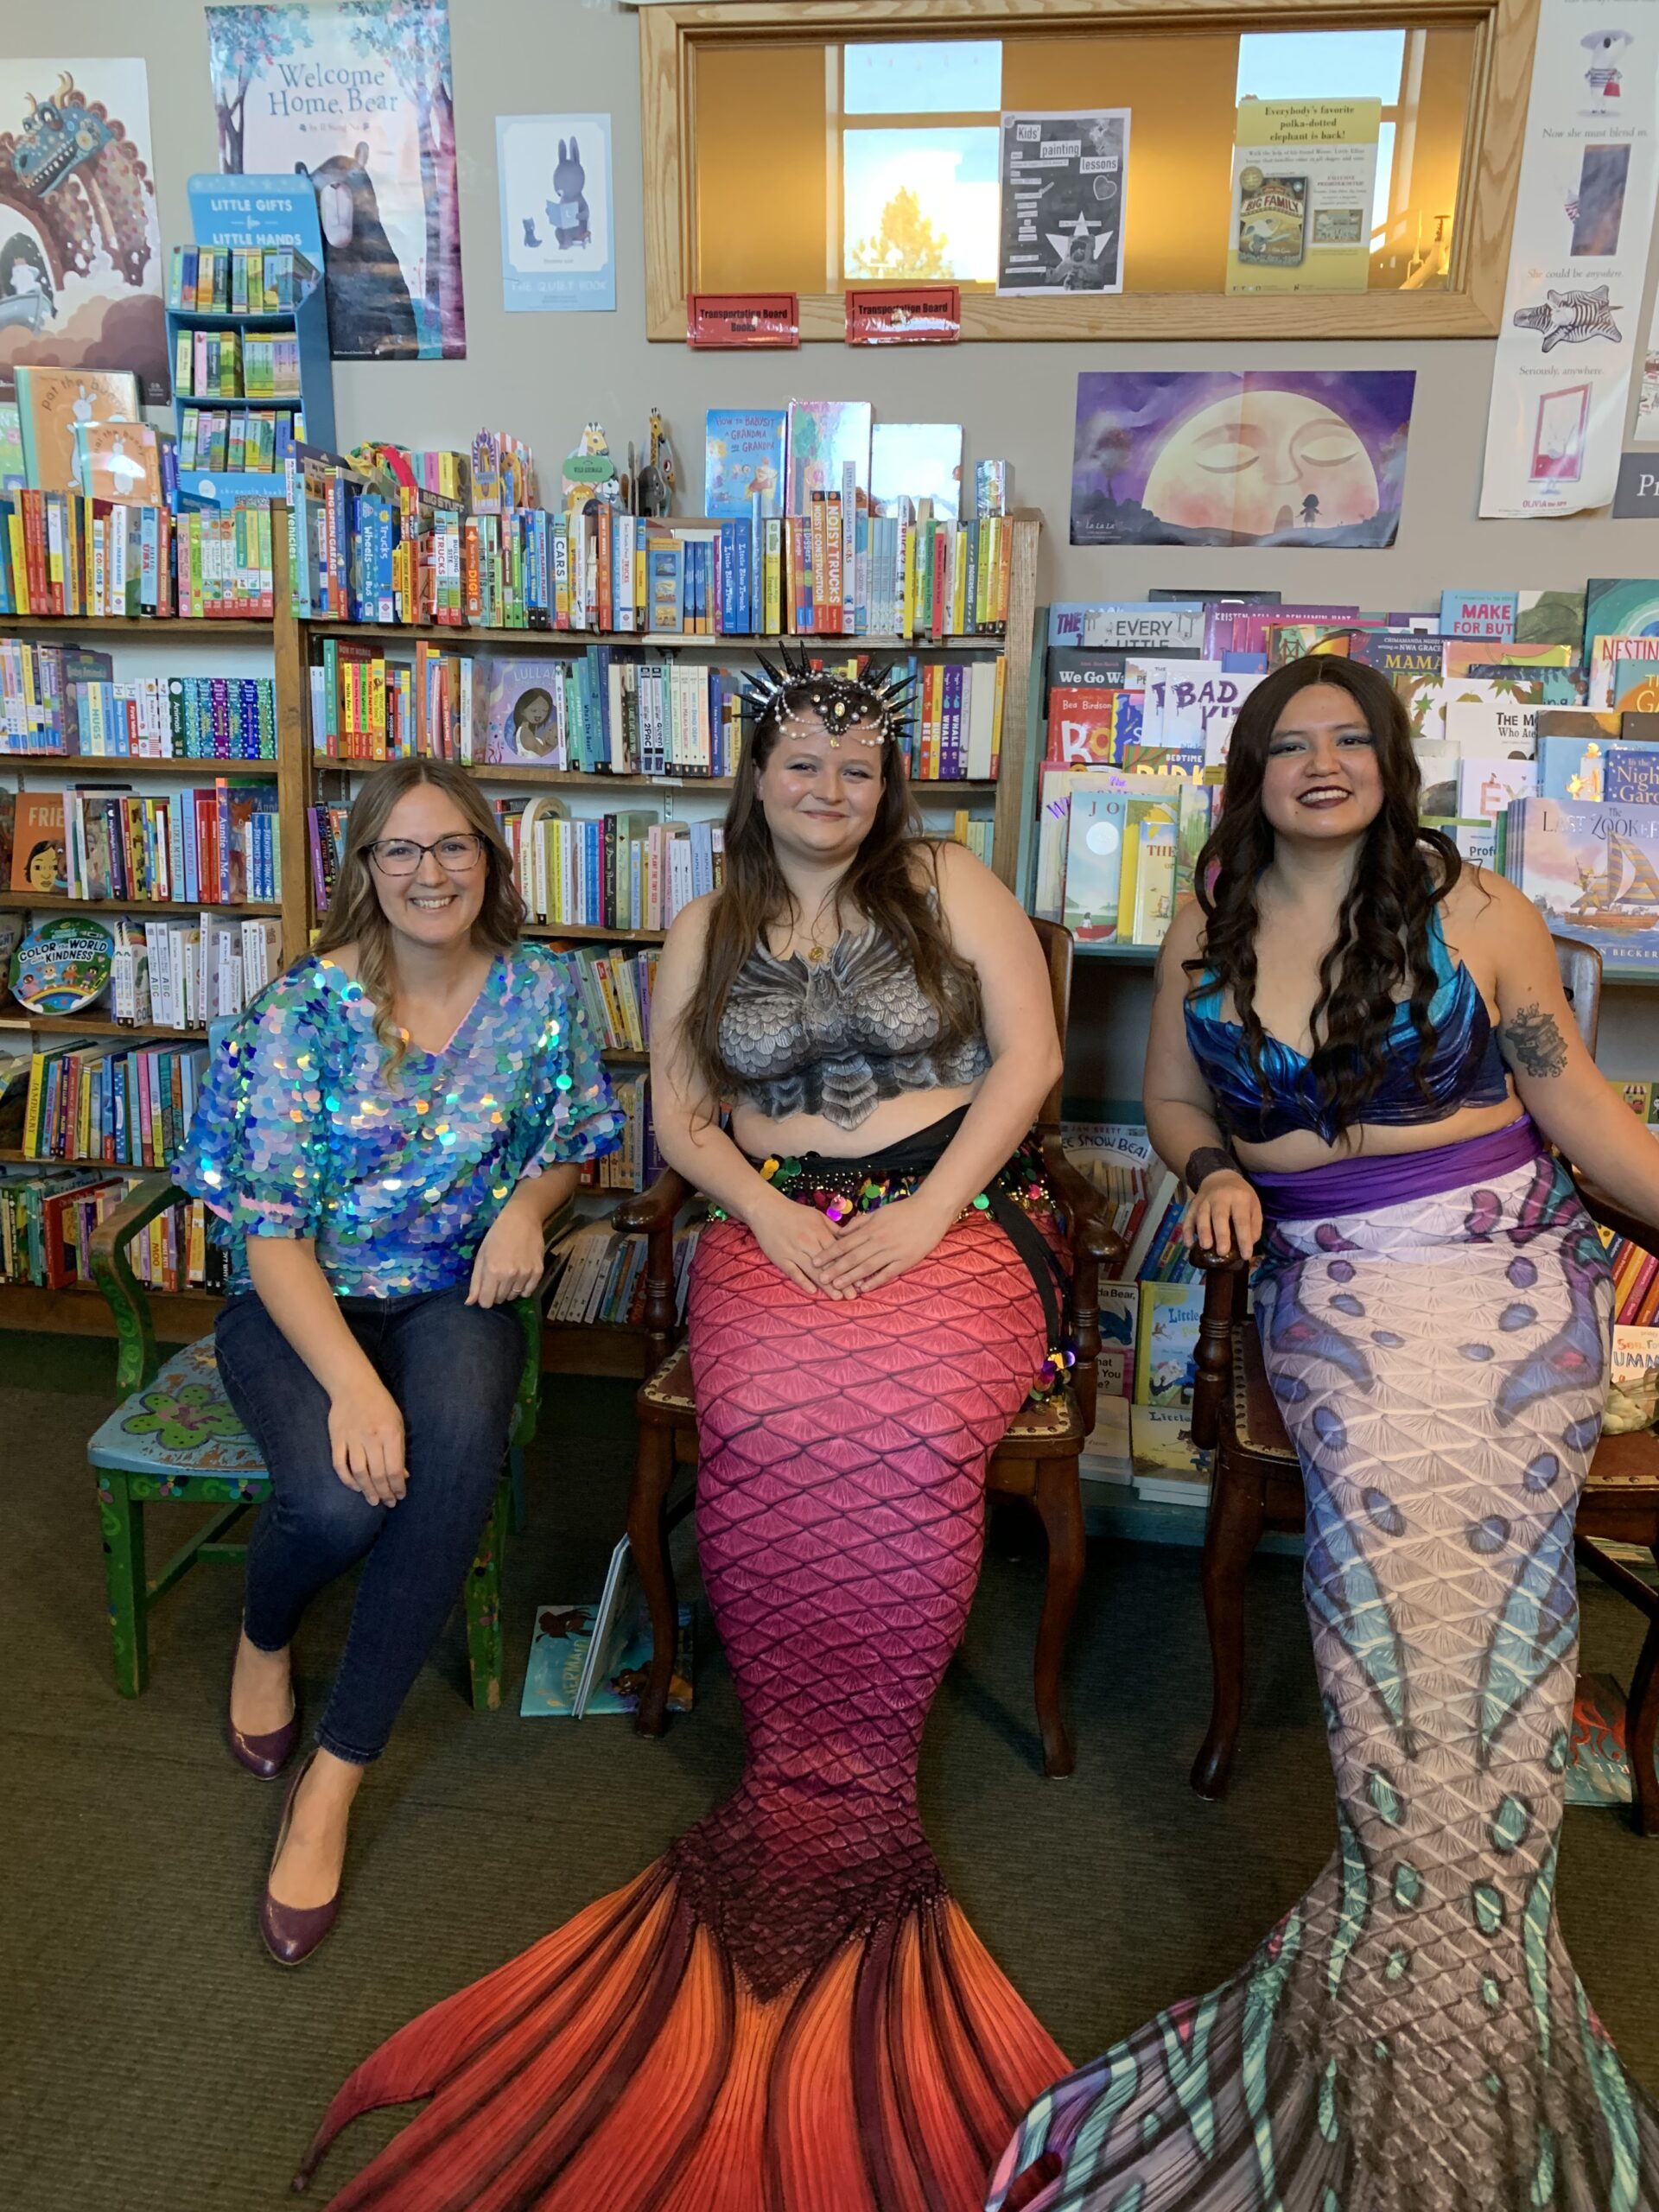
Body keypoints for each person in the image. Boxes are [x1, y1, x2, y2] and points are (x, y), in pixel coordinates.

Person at [293, 654, 1075, 2209]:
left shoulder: (952, 878)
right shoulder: (706, 920)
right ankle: (793, 1776)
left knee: (910, 1430)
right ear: (757, 773)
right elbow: (679, 1113)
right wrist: (768, 1219)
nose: (829, 790)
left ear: (888, 780)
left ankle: (865, 1791)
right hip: (768, 1223)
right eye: (802, 762)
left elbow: (1036, 1064)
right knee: (775, 1420)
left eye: (856, 767)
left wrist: (923, 1212)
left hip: (961, 1215)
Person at [991, 656, 1659, 2211]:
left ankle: (1468, 2035)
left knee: (1492, 1660)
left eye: (1351, 739)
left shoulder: (1470, 907)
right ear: (1250, 770)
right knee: (1387, 1677)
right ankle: (1402, 2010)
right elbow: (1166, 1103)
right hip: (1336, 1304)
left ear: (1391, 762)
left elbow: (1578, 1115)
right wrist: (1216, 1166)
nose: (1323, 764)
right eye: (1290, 744)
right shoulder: (1209, 917)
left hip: (1505, 1292)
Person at [174, 760, 619, 1967]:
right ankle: (267, 1635)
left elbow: (574, 1137)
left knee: (453, 1458)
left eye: (456, 846)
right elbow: (268, 1235)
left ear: (492, 857)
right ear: (363, 871)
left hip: (452, 1293)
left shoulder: (547, 993)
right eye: (402, 852)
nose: (432, 874)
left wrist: (531, 1205)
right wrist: (357, 1389)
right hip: (300, 1302)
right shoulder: (298, 1015)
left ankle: (335, 1775)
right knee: (330, 1500)